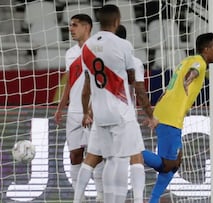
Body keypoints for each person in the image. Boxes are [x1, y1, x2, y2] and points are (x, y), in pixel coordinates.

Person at [79, 4, 156, 203]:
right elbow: (137, 86)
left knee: (109, 160)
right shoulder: (123, 45)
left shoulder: (86, 47)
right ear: (117, 21)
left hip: (100, 113)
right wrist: (149, 114)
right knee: (122, 160)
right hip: (121, 111)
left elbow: (86, 87)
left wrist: (86, 111)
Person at [142, 32, 213, 203]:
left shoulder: (186, 60)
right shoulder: (199, 62)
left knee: (170, 166)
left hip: (165, 112)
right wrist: (188, 80)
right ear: (206, 50)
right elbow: (193, 73)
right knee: (171, 164)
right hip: (171, 117)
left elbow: (169, 87)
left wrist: (155, 114)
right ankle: (133, 153)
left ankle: (153, 200)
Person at [53, 14, 104, 198]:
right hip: (74, 111)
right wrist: (60, 107)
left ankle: (101, 196)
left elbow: (100, 82)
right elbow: (69, 81)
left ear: (86, 27)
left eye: (75, 25)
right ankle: (79, 198)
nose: (71, 29)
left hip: (94, 111)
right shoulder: (70, 53)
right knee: (74, 155)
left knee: (96, 156)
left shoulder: (98, 49)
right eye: (70, 25)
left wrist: (90, 110)